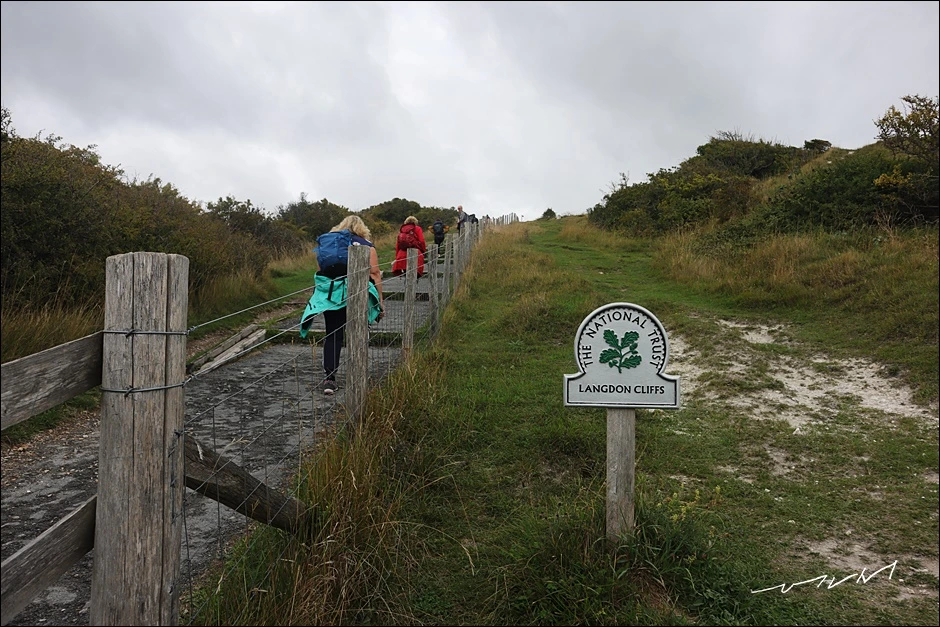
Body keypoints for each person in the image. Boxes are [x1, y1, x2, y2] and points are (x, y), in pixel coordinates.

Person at [299, 215, 384, 395]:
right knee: (359, 332)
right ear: (362, 228)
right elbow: (375, 273)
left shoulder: (330, 245)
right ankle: (358, 375)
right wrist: (380, 302)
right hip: (358, 293)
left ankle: (330, 379)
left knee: (333, 335)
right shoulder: (367, 245)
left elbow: (322, 271)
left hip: (333, 295)